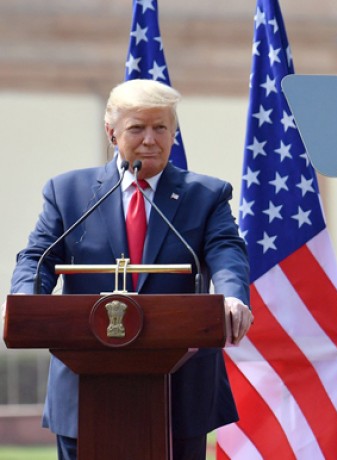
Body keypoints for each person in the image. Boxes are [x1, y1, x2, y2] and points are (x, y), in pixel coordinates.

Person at [9, 79, 254, 460]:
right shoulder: (68, 192)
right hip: (84, 386)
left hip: (179, 389)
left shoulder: (205, 195)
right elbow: (37, 257)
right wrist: (25, 300)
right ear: (112, 133)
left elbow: (226, 251)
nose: (150, 140)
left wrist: (233, 297)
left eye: (161, 128)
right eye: (137, 128)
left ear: (174, 133)